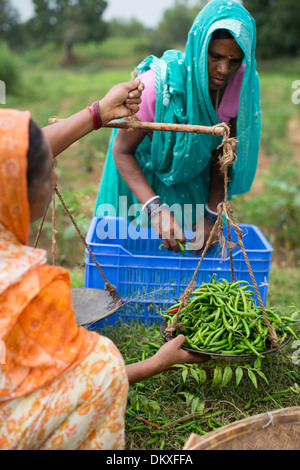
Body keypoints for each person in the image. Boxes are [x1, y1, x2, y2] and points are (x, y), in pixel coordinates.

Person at [0, 84, 207, 450]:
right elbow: (63, 379)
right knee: (102, 364)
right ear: (18, 187)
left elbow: (20, 150)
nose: (55, 179)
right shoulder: (20, 286)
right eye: (46, 171)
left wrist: (98, 113)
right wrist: (155, 364)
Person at [94, 0, 261, 254]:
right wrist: (155, 209)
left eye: (234, 61)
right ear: (198, 49)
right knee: (134, 258)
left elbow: (222, 154)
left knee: (187, 257)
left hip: (193, 180)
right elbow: (122, 151)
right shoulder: (156, 88)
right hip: (141, 179)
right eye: (215, 56)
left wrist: (210, 214)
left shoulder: (239, 85)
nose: (223, 70)